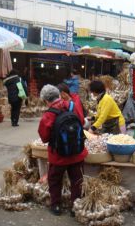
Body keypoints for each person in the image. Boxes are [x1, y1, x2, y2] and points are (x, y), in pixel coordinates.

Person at [38, 84, 87, 217]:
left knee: (54, 180)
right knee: (77, 180)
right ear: (59, 95)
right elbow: (82, 122)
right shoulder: (72, 106)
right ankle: (75, 207)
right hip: (77, 153)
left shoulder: (48, 115)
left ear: (45, 100)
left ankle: (56, 206)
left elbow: (44, 137)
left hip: (58, 156)